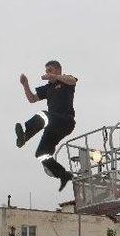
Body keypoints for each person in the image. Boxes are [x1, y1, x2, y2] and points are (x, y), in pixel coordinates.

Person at [16, 60, 77, 191]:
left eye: (50, 70)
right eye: (46, 71)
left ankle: (25, 136)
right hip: (53, 126)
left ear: (58, 70)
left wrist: (55, 77)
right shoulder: (48, 88)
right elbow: (32, 99)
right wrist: (25, 84)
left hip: (65, 121)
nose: (47, 73)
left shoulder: (66, 81)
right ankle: (63, 175)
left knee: (43, 115)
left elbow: (73, 81)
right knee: (41, 153)